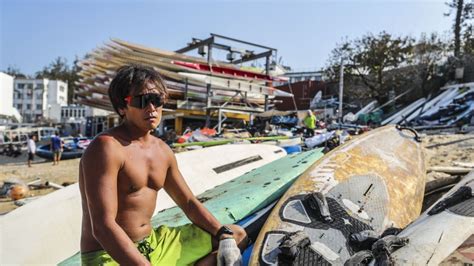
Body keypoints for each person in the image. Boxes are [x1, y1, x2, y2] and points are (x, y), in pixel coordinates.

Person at [79, 64, 247, 266]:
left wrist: (223, 235)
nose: (151, 108)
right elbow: (103, 226)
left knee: (237, 235)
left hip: (155, 245)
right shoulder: (107, 147)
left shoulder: (162, 151)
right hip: (108, 255)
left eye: (157, 100)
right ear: (122, 107)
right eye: (142, 101)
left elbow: (189, 203)